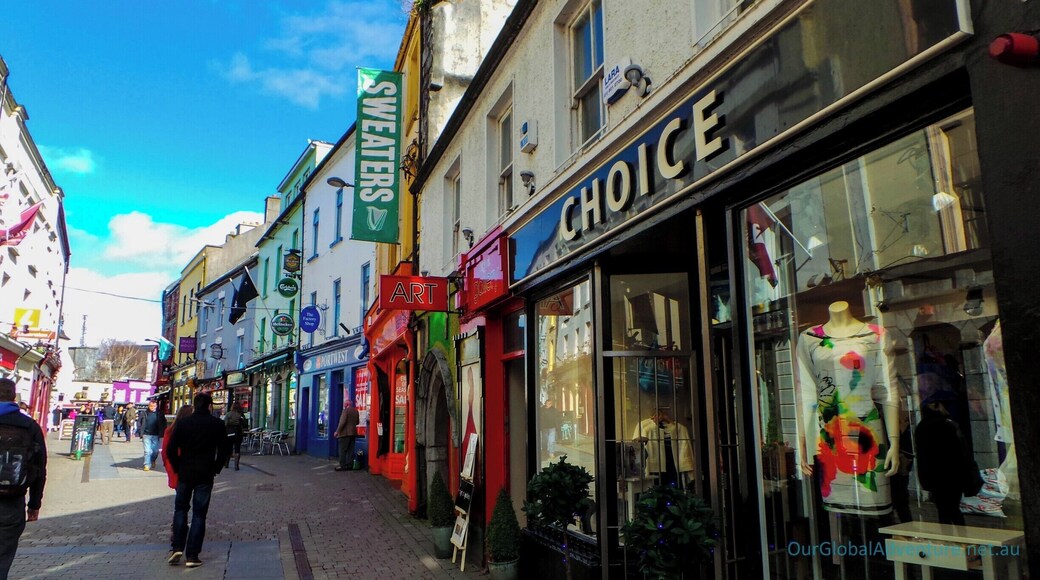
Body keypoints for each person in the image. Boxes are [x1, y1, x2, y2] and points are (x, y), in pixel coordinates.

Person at [165, 393, 231, 568]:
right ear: (209, 406)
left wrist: (178, 466)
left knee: (180, 509)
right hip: (205, 474)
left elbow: (171, 449)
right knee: (199, 515)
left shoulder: (184, 423)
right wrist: (216, 467)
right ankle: (192, 555)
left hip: (185, 473)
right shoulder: (217, 424)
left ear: (194, 406)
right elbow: (225, 449)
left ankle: (177, 547)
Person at [0, 378, 46, 579]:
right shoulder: (29, 426)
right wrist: (34, 504)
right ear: (13, 397)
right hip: (11, 501)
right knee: (2, 556)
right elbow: (39, 468)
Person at [162, 405, 194, 490]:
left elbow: (165, 448)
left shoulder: (170, 430)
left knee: (180, 495)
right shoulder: (193, 429)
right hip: (186, 464)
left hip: (173, 463)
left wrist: (166, 462)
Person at [139, 400, 168, 471]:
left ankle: (153, 460)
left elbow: (164, 423)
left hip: (156, 434)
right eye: (151, 406)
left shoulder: (160, 413)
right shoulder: (144, 413)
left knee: (155, 451)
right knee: (147, 451)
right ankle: (146, 465)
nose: (152, 407)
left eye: (154, 406)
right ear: (148, 406)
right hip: (146, 434)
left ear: (156, 406)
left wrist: (163, 431)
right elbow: (139, 422)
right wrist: (140, 432)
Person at [333, 401, 360, 471]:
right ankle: (350, 465)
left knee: (342, 450)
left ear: (347, 404)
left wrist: (337, 431)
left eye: (345, 403)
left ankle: (342, 466)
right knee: (350, 450)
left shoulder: (345, 411)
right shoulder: (356, 411)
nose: (344, 404)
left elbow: (342, 422)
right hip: (353, 433)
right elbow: (357, 422)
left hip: (345, 434)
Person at [224, 403, 246, 471]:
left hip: (230, 433)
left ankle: (226, 463)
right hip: (238, 433)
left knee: (228, 448)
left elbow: (225, 423)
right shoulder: (241, 415)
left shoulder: (228, 414)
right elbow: (245, 424)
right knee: (237, 448)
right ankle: (236, 465)